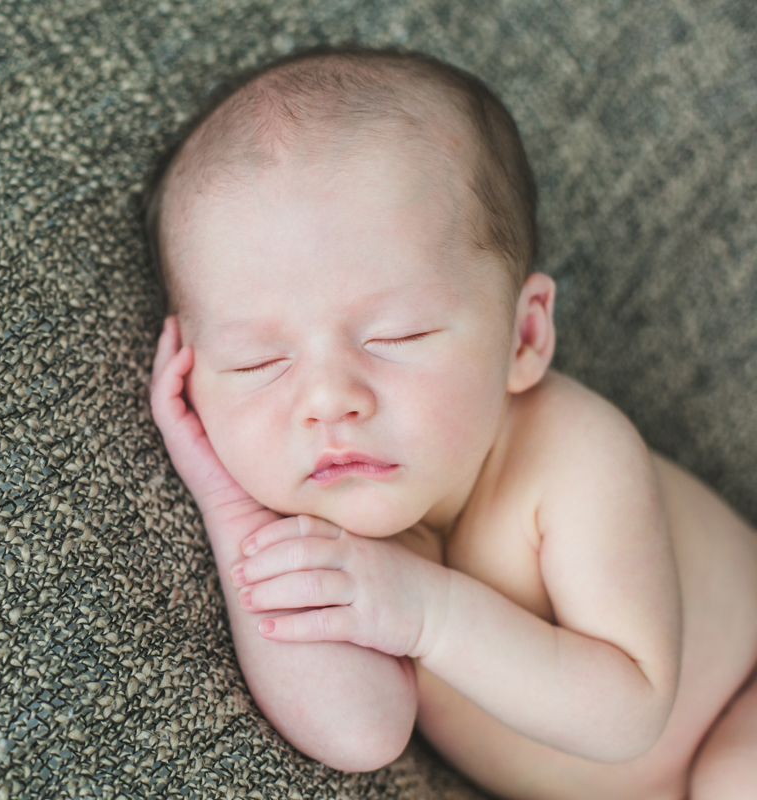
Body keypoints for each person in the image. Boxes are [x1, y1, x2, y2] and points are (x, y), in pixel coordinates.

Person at [145, 46, 757, 800]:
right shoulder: (345, 521)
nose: (329, 399)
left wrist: (426, 614)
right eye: (256, 362)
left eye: (395, 337)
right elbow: (360, 730)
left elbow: (630, 711)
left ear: (523, 338)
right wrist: (234, 509)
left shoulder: (574, 457)